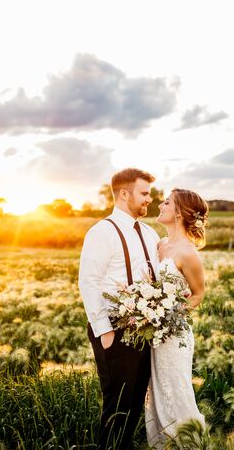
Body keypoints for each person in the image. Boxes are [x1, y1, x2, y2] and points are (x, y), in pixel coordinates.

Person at [79, 168, 161, 449]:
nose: (149, 199)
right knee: (117, 407)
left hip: (145, 332)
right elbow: (88, 282)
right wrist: (105, 331)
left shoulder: (150, 233)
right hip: (114, 331)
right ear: (124, 194)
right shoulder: (102, 232)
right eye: (144, 193)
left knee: (136, 403)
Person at [145, 188, 207, 448]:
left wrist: (171, 316)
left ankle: (188, 442)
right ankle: (161, 443)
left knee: (176, 388)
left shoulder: (188, 253)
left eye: (167, 202)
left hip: (174, 334)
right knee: (155, 390)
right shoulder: (159, 244)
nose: (160, 204)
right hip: (153, 333)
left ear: (180, 212)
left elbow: (198, 294)